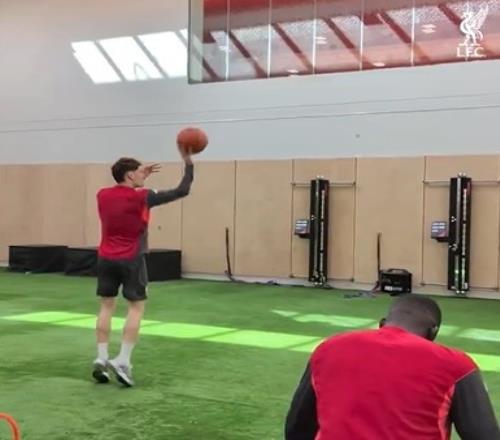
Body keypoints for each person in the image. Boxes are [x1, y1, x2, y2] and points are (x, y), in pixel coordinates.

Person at [285, 294, 500, 440]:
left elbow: (297, 428)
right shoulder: (456, 365)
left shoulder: (328, 349)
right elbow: (484, 435)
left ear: (382, 323)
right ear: (433, 332)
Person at [92, 145, 194, 387]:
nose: (143, 174)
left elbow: (125, 193)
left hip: (105, 257)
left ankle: (102, 357)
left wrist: (140, 176)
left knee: (106, 306)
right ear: (130, 175)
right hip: (131, 258)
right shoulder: (142, 196)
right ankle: (123, 360)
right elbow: (182, 190)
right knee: (136, 308)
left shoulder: (102, 195)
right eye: (139, 172)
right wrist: (189, 163)